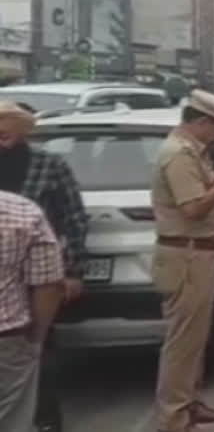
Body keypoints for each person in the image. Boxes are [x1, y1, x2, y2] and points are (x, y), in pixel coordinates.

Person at [150, 90, 214, 432]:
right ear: (201, 122)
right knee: (183, 341)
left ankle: (189, 400)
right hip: (186, 254)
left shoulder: (195, 153)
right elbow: (192, 209)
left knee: (197, 337)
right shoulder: (178, 154)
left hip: (199, 253)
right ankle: (173, 416)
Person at [0, 101, 87, 432]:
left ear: (22, 129)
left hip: (40, 275)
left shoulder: (49, 165)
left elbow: (75, 218)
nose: (0, 130)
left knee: (40, 351)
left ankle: (47, 420)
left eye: (7, 123)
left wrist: (73, 270)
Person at [0, 190, 64, 432]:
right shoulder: (24, 212)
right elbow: (47, 283)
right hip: (8, 340)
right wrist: (37, 338)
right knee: (12, 420)